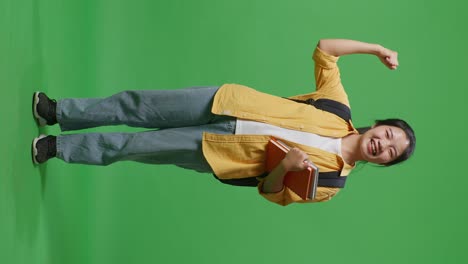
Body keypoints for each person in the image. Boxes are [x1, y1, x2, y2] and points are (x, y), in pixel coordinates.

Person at [31, 39, 416, 206]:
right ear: (378, 125)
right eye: (388, 134)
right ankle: (60, 111)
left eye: (391, 152)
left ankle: (58, 148)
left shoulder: (332, 183)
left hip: (218, 153)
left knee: (134, 147)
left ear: (382, 163)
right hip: (226, 101)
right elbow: (326, 50)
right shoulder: (339, 110)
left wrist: (286, 166)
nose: (384, 144)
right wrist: (376, 49)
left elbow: (269, 191)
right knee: (138, 105)